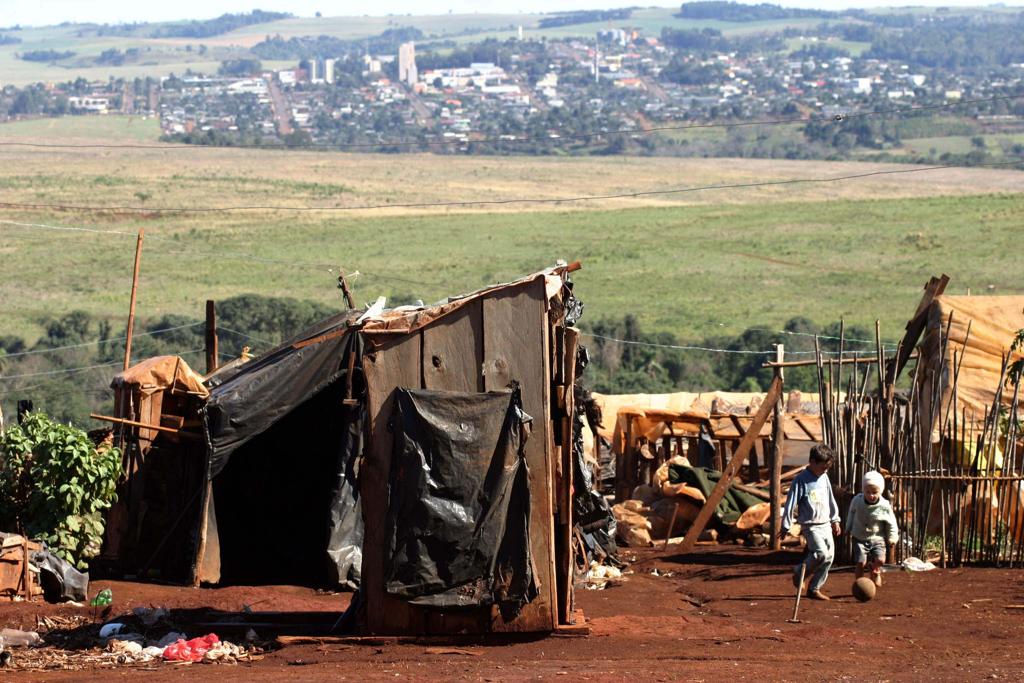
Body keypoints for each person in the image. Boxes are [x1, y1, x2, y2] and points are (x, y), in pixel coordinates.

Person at [779, 444, 841, 600]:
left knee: (829, 558)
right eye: (822, 467)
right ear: (812, 462)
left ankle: (814, 588)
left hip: (825, 523)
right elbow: (791, 503)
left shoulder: (824, 477)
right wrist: (786, 525)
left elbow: (830, 499)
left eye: (827, 468)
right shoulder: (801, 480)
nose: (825, 471)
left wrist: (835, 519)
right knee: (820, 553)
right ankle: (800, 572)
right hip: (811, 525)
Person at [846, 470, 898, 587]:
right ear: (863, 490)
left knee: (881, 560)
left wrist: (892, 538)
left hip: (877, 537)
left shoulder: (884, 506)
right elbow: (851, 513)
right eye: (867, 492)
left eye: (874, 492)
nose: (871, 495)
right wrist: (847, 528)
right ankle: (859, 583)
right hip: (859, 536)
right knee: (860, 562)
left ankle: (875, 570)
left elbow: (891, 523)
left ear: (881, 491)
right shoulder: (857, 501)